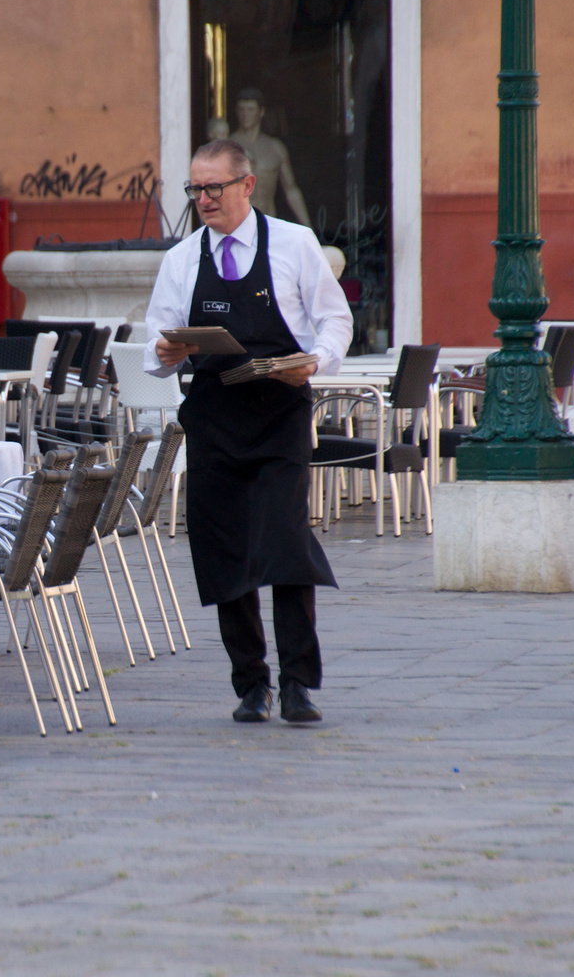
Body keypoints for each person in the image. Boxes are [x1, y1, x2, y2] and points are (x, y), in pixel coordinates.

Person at [143, 139, 352, 724]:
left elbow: (335, 318)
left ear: (247, 185)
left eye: (214, 188)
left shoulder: (293, 243)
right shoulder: (182, 260)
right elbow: (155, 349)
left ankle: (297, 684)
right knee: (224, 551)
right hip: (214, 419)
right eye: (195, 190)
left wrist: (316, 359)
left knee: (285, 545)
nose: (204, 200)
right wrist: (165, 351)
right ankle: (250, 684)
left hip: (280, 413)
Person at [230, 88, 312, 226]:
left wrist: (308, 227)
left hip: (268, 224)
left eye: (250, 110)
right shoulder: (227, 146)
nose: (245, 115)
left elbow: (291, 190)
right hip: (236, 225)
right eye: (241, 110)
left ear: (261, 112)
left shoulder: (275, 148)